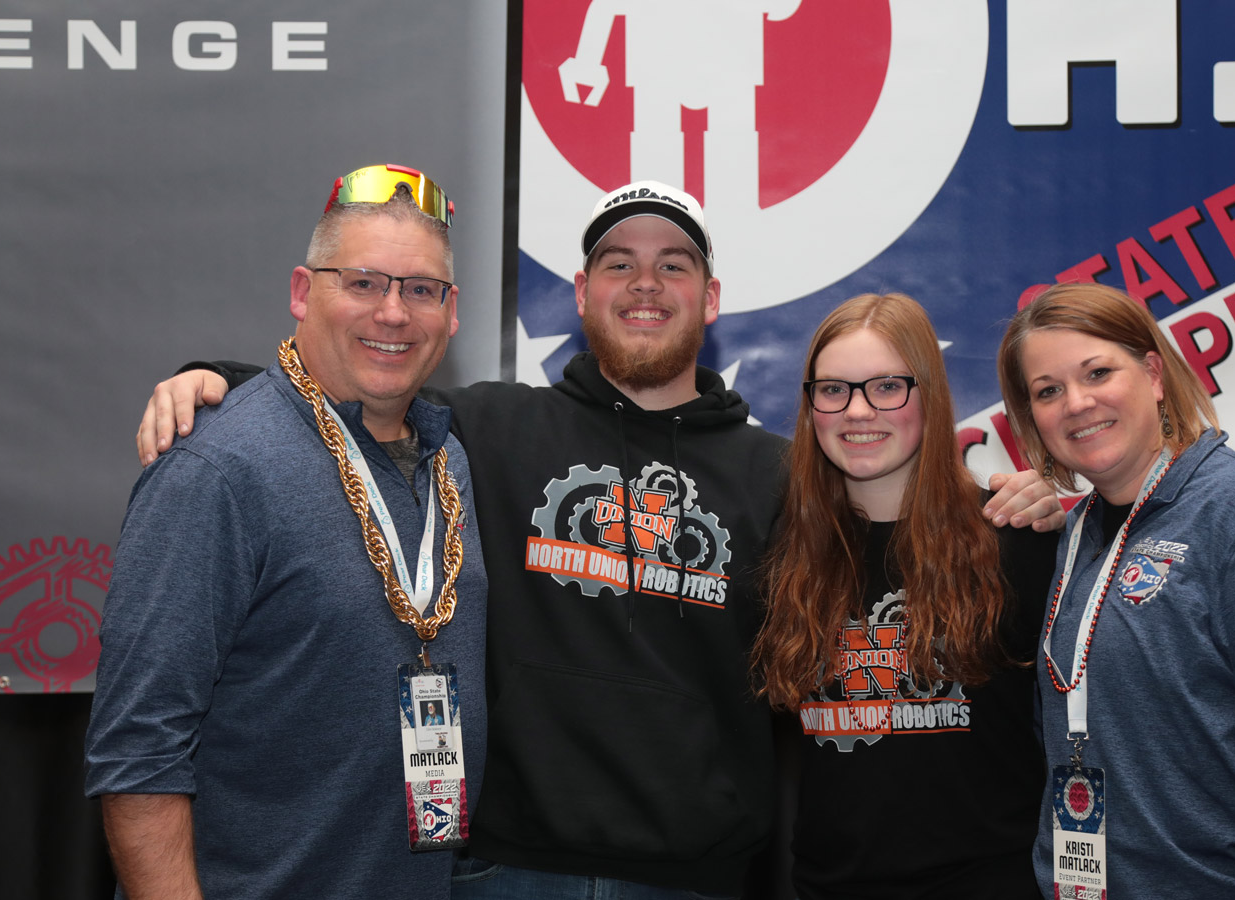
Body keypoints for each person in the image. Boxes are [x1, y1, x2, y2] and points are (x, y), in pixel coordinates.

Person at [133, 180, 1063, 898]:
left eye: (673, 264)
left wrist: (1017, 501)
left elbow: (893, 546)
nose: (646, 283)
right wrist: (215, 377)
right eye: (618, 262)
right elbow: (356, 395)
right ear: (581, 291)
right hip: (502, 870)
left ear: (712, 296)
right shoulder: (484, 427)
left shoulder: (782, 477)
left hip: (693, 878)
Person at [85, 164, 489, 899]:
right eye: (363, 282)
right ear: (304, 292)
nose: (393, 313)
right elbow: (139, 747)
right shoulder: (217, 467)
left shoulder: (447, 457)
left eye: (420, 289)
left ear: (451, 311)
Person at [996, 282, 1235, 899]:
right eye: (1048, 391)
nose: (1077, 403)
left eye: (1098, 372)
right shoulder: (1077, 534)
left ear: (1153, 374)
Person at [753, 293, 1056, 899]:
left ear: (930, 396)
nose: (858, 411)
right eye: (834, 390)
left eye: (887, 386)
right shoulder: (780, 556)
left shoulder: (1018, 539)